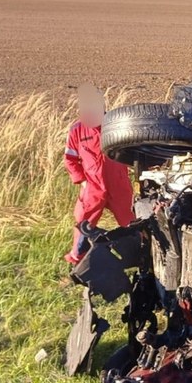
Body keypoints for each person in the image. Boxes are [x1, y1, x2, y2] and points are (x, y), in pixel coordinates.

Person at [63, 84, 134, 264]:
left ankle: (141, 258)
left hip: (118, 185)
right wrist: (82, 181)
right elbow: (70, 159)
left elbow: (133, 152)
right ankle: (77, 261)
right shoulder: (77, 130)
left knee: (132, 223)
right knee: (83, 222)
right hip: (92, 186)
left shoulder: (117, 126)